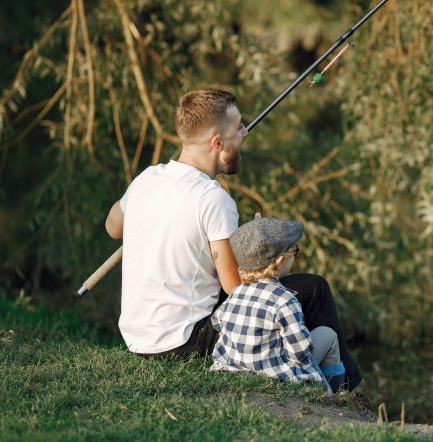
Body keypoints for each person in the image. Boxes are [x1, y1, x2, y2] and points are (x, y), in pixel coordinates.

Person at [103, 89, 361, 390]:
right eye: (238, 128)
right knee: (315, 289)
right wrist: (261, 250)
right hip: (185, 341)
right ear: (217, 143)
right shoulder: (213, 198)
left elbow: (113, 228)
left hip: (137, 338)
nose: (245, 133)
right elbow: (235, 288)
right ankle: (346, 391)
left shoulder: (147, 179)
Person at [210, 216, 346, 392]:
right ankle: (336, 395)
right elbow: (299, 351)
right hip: (277, 376)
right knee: (328, 335)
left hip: (236, 369)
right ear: (280, 259)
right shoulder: (285, 300)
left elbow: (218, 322)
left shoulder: (235, 294)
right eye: (293, 250)